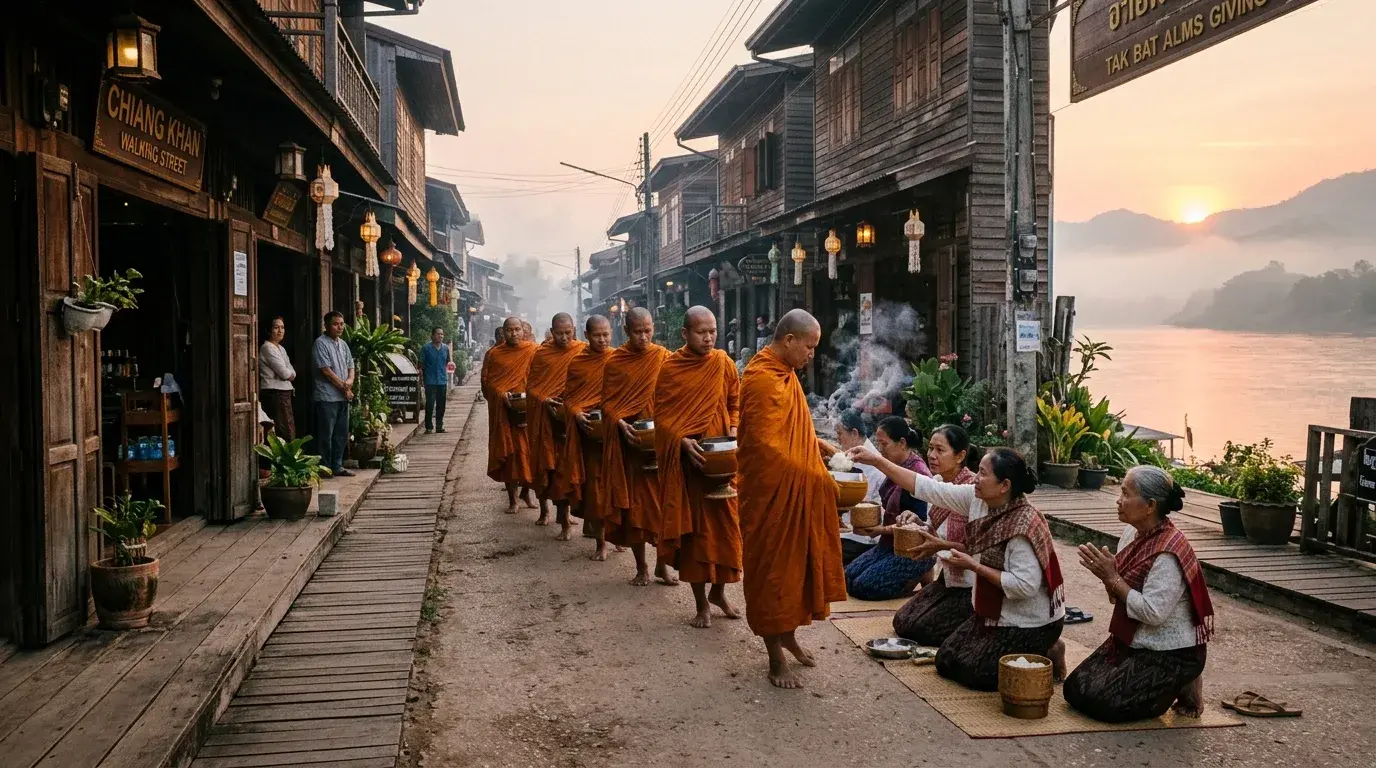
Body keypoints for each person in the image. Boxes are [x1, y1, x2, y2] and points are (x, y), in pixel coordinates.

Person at [847, 444, 1066, 691]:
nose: (976, 478)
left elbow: (1024, 587)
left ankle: (1046, 646)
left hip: (1027, 621)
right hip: (992, 610)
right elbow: (926, 487)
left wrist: (974, 565)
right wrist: (877, 461)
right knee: (946, 661)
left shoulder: (1021, 525)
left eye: (983, 473)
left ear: (1004, 486)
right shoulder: (978, 500)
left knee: (973, 673)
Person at [738, 309, 846, 689]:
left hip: (790, 487)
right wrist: (818, 476)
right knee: (773, 571)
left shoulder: (783, 375)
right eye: (810, 346)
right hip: (770, 494)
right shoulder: (762, 379)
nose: (812, 355)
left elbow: (787, 430)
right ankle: (774, 658)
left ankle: (788, 635)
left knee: (794, 568)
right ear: (789, 340)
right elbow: (768, 446)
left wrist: (817, 443)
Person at [1063, 466, 1213, 722]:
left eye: (1125, 494)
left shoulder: (1168, 552)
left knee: (1107, 706)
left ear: (1150, 505)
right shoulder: (1132, 533)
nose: (1118, 501)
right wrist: (1108, 578)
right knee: (1076, 690)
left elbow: (1153, 614)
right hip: (1132, 640)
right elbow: (1118, 597)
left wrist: (1111, 577)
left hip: (1170, 651)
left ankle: (1184, 680)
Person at [654, 306, 743, 628]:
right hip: (690, 465)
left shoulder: (724, 364)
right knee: (695, 537)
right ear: (685, 334)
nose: (708, 338)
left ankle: (718, 592)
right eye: (701, 332)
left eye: (713, 332)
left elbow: (735, 402)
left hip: (723, 461)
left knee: (727, 530)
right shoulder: (671, 368)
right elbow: (661, 417)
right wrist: (679, 440)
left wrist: (732, 430)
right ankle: (701, 603)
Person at [595, 307, 676, 587]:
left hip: (661, 444)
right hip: (631, 443)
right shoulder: (616, 362)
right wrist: (618, 422)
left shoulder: (664, 358)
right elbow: (607, 403)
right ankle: (641, 567)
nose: (643, 337)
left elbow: (675, 397)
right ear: (626, 331)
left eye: (648, 331)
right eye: (637, 332)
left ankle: (662, 567)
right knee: (637, 511)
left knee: (665, 510)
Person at [892, 424, 978, 646]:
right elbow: (932, 527)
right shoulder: (938, 483)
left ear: (960, 456)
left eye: (940, 450)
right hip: (946, 578)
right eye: (930, 448)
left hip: (973, 584)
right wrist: (917, 521)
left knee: (922, 631)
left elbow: (980, 548)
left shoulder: (973, 491)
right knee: (903, 621)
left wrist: (939, 545)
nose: (932, 456)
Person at [843, 417, 934, 600]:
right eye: (878, 443)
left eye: (884, 444)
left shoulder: (917, 474)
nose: (880, 449)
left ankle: (917, 576)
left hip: (910, 549)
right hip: (887, 544)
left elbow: (922, 525)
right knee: (848, 578)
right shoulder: (895, 467)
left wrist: (880, 530)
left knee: (864, 587)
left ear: (901, 443)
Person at [554, 315, 616, 559]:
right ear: (587, 336)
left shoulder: (619, 359)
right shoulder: (578, 363)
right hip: (590, 435)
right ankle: (600, 542)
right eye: (597, 335)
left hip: (615, 435)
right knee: (596, 491)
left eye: (606, 335)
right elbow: (569, 399)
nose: (602, 340)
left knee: (617, 489)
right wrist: (577, 414)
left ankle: (618, 535)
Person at [526, 313, 587, 537]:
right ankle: (560, 520)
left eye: (568, 333)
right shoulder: (542, 354)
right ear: (552, 332)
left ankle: (571, 518)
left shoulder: (582, 351)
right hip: (551, 423)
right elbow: (531, 387)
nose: (564, 337)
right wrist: (544, 399)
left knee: (573, 472)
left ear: (574, 330)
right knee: (554, 471)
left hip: (575, 420)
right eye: (559, 333)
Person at [481, 316, 539, 514]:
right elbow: (487, 383)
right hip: (503, 413)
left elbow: (541, 377)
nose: (514, 333)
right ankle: (512, 499)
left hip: (527, 411)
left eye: (517, 329)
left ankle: (526, 492)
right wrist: (499, 394)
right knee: (508, 455)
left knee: (528, 454)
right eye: (509, 330)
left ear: (523, 331)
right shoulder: (495, 354)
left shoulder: (532, 351)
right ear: (503, 333)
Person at [832, 409, 885, 564]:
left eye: (840, 433)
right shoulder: (856, 456)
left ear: (854, 433)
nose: (837, 439)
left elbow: (858, 504)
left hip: (865, 537)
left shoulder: (870, 463)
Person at [313, 310, 356, 477]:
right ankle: (325, 467)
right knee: (326, 434)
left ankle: (338, 465)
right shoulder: (320, 343)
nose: (339, 327)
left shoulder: (343, 344)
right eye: (335, 324)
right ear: (326, 325)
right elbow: (326, 371)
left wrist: (350, 382)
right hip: (327, 396)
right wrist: (346, 388)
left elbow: (351, 366)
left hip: (343, 396)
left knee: (341, 433)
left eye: (341, 324)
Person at [259, 316, 297, 440]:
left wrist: (290, 374)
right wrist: (289, 374)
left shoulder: (281, 348)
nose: (280, 331)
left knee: (288, 428)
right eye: (276, 327)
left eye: (282, 327)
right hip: (274, 393)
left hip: (284, 392)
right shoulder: (267, 348)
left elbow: (291, 370)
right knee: (281, 430)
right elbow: (285, 373)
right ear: (269, 331)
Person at [420, 326, 451, 434]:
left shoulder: (445, 348)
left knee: (441, 405)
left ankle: (439, 426)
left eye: (442, 334)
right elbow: (421, 364)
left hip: (442, 380)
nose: (440, 336)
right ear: (432, 335)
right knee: (430, 404)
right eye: (438, 334)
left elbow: (447, 362)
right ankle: (428, 426)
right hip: (430, 381)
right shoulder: (426, 348)